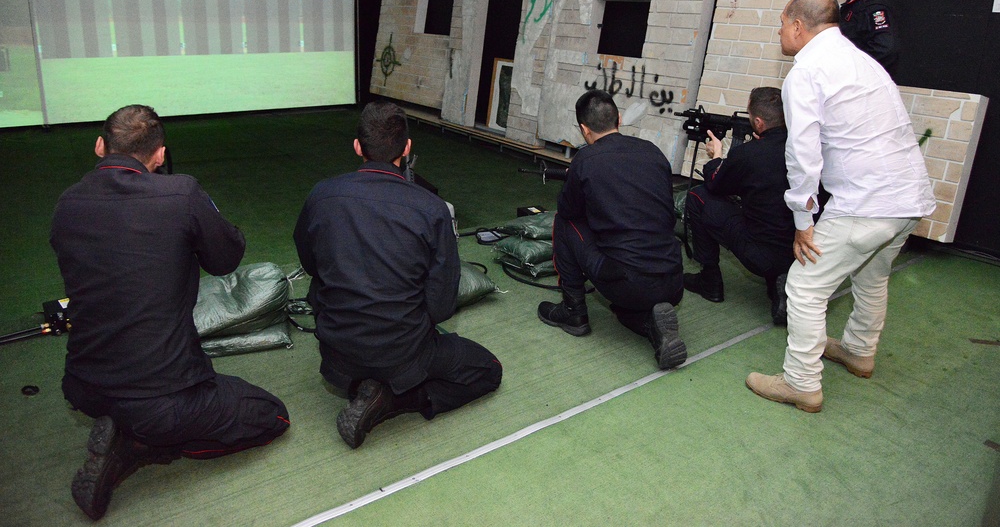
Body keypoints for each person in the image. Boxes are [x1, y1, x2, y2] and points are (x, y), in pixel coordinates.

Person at [51, 105, 289, 520]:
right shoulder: (181, 194)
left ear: (100, 146)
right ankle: (141, 443)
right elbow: (226, 259)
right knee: (272, 414)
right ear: (160, 155)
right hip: (163, 397)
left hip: (84, 385)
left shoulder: (67, 203)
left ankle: (126, 425)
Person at [746, 0, 935, 412]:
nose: (779, 30)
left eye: (781, 22)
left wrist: (802, 218)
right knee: (871, 275)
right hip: (909, 199)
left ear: (798, 26)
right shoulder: (863, 62)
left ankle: (801, 383)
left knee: (804, 286)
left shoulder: (808, 71)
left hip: (867, 202)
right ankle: (858, 351)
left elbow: (802, 153)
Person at [293, 100, 502, 449]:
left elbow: (310, 265)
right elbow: (441, 305)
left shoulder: (321, 196)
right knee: (488, 369)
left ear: (358, 147)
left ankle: (367, 387)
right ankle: (394, 400)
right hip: (402, 352)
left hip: (337, 350)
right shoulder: (431, 209)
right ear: (407, 149)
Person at [537, 89, 687, 370]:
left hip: (626, 282)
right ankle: (653, 326)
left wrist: (577, 181)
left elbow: (571, 211)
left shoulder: (585, 160)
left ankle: (574, 312)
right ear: (619, 118)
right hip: (673, 279)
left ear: (584, 129)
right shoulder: (653, 153)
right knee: (622, 313)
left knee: (565, 222)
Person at [682, 86, 796, 325]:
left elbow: (716, 185)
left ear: (757, 122)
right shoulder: (807, 147)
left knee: (698, 197)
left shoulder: (749, 154)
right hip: (800, 249)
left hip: (760, 253)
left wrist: (716, 157)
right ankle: (781, 285)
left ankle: (709, 281)